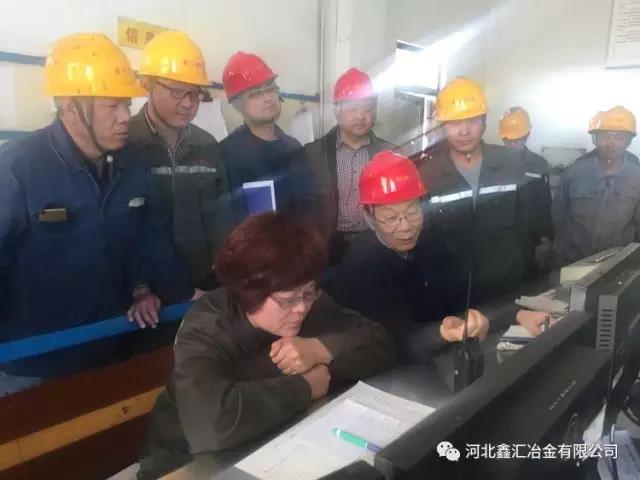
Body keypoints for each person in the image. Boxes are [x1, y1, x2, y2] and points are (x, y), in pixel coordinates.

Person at [0, 34, 194, 396]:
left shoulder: (132, 162)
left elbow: (149, 236)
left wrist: (145, 287)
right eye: (112, 106)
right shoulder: (17, 170)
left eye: (127, 104)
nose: (124, 118)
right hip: (32, 367)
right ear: (70, 108)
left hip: (112, 346)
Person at [137, 213, 395, 478]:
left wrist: (319, 349)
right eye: (288, 300)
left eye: (308, 292)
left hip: (271, 442)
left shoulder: (307, 300)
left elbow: (379, 342)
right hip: (184, 463)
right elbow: (213, 425)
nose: (301, 308)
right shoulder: (206, 327)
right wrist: (308, 386)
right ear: (252, 292)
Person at [331, 151, 489, 363]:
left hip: (443, 354)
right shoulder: (360, 267)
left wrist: (474, 317)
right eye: (391, 218)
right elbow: (386, 342)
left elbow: (459, 294)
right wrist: (440, 334)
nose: (406, 227)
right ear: (369, 217)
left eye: (412, 212)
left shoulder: (432, 242)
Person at [129, 31, 234, 290]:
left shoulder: (207, 145)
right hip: (146, 295)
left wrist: (225, 268)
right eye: (177, 91)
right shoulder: (126, 143)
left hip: (205, 284)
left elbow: (221, 216)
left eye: (195, 93)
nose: (188, 103)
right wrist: (140, 287)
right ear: (148, 84)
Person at [417, 77, 534, 306]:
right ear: (443, 127)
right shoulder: (429, 174)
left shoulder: (510, 163)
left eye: (472, 121)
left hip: (505, 288)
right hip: (450, 292)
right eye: (455, 123)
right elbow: (426, 240)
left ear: (484, 123)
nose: (464, 131)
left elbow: (525, 226)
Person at [305, 68, 393, 262]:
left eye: (368, 109)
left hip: (374, 242)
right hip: (327, 244)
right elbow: (303, 206)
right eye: (353, 109)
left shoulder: (389, 154)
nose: (361, 116)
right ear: (337, 110)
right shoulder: (313, 154)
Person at [220, 51, 317, 223]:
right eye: (255, 94)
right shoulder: (227, 154)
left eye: (270, 89)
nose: (267, 98)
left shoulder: (294, 148)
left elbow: (309, 206)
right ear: (236, 104)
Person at [552, 106, 640, 267]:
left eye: (618, 137)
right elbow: (559, 216)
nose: (610, 143)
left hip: (619, 264)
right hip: (572, 261)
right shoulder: (574, 173)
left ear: (629, 141)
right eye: (604, 136)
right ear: (594, 139)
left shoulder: (637, 176)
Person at [499, 106, 553, 270]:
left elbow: (544, 203)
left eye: (517, 139)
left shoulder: (538, 164)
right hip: (500, 237)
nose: (511, 144)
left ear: (527, 135)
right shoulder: (494, 163)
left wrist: (545, 236)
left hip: (530, 239)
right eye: (507, 139)